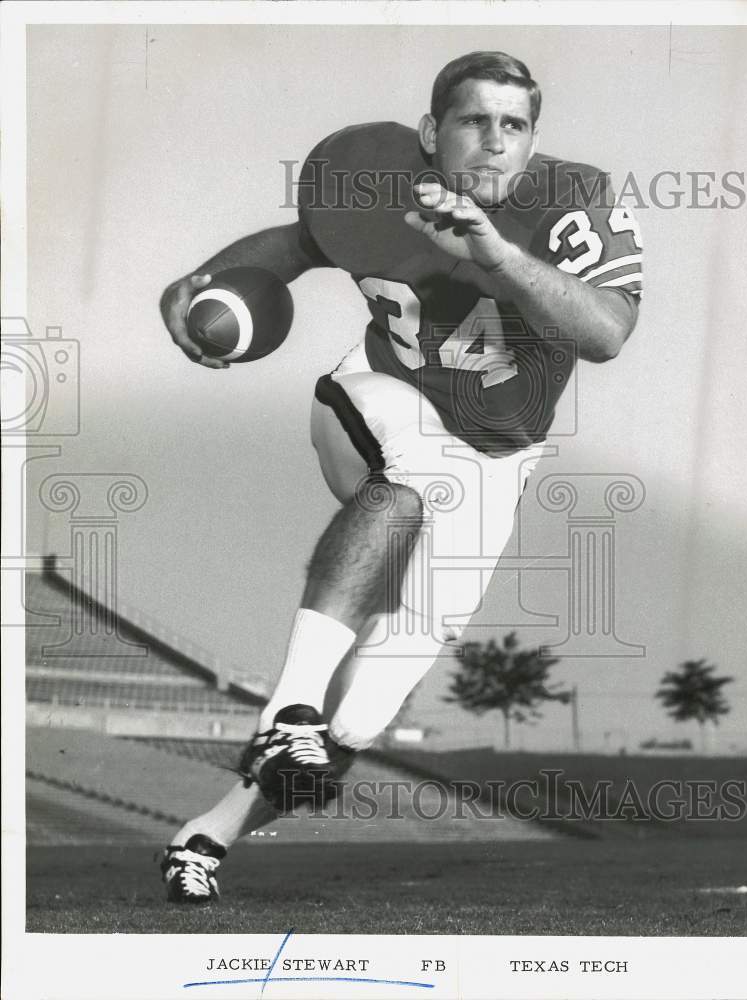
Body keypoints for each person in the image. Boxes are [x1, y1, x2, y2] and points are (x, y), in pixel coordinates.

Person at [158, 51, 643, 902]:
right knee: (412, 476)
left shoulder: (571, 202)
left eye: (512, 125)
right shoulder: (374, 175)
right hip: (379, 397)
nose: (492, 143)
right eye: (471, 121)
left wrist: (498, 256)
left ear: (533, 140)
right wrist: (197, 289)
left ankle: (209, 832)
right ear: (429, 132)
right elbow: (291, 247)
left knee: (364, 711)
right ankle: (289, 711)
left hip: (495, 456)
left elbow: (604, 332)